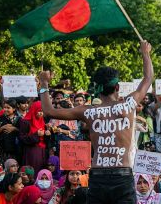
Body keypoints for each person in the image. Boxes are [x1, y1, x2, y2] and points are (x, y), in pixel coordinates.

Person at [39, 41, 153, 203]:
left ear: (97, 88)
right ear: (117, 87)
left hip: (98, 176)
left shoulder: (88, 111)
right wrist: (145, 53)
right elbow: (148, 79)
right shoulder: (127, 105)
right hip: (123, 175)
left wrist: (44, 84)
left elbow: (49, 111)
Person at [19, 101, 50, 174]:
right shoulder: (26, 122)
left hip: (42, 150)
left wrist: (47, 135)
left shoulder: (42, 121)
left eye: (42, 111)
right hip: (31, 151)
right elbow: (22, 138)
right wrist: (36, 135)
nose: (41, 113)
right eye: (39, 111)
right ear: (34, 110)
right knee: (32, 171)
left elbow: (44, 140)